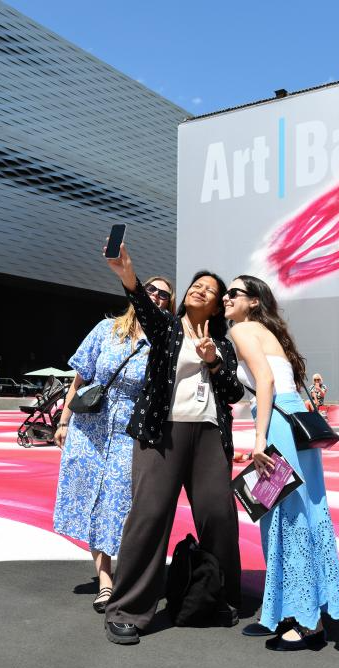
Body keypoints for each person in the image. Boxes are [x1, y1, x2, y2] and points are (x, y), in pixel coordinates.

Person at [102, 241, 244, 646]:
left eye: (209, 289)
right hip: (161, 432)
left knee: (218, 514)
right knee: (150, 514)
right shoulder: (166, 327)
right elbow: (145, 308)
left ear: (216, 307)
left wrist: (213, 360)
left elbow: (233, 393)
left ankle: (220, 596)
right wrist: (128, 274)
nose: (200, 289)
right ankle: (127, 609)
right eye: (196, 285)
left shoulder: (224, 345)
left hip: (209, 434)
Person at [225, 275, 339, 652]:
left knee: (285, 517)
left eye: (234, 293)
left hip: (278, 426)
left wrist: (259, 438)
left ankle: (307, 622)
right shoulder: (270, 332)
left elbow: (265, 381)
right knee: (302, 512)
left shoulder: (242, 329)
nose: (227, 298)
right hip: (294, 423)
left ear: (253, 301)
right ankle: (288, 610)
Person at [53, 275, 175, 613]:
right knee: (91, 498)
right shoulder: (105, 329)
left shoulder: (163, 343)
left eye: (164, 295)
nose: (156, 296)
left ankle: (127, 571)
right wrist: (63, 421)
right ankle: (105, 579)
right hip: (89, 429)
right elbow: (80, 378)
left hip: (128, 433)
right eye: (151, 290)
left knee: (117, 501)